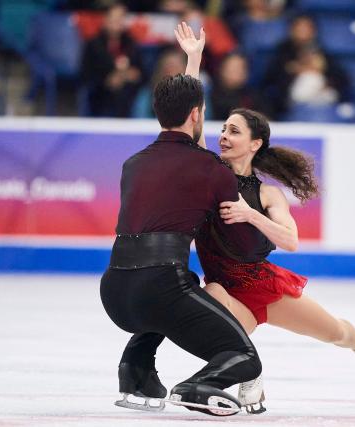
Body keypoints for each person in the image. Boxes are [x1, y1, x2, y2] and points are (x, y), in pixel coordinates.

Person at [99, 22, 263, 416]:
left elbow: (189, 126)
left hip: (115, 293)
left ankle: (134, 368)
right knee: (244, 357)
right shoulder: (211, 168)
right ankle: (196, 386)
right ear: (197, 115)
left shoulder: (132, 164)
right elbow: (235, 240)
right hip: (160, 290)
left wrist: (194, 60)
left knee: (171, 293)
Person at [195, 108, 355, 410]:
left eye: (235, 131)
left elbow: (290, 240)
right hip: (226, 290)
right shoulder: (211, 174)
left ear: (255, 144)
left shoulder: (268, 195)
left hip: (264, 287)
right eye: (224, 129)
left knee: (336, 332)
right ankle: (250, 373)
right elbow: (194, 120)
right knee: (210, 303)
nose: (225, 137)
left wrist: (250, 214)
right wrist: (195, 60)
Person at [260, 14, 350, 119]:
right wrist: (298, 70)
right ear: (291, 30)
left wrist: (322, 73)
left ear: (314, 31)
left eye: (307, 28)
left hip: (321, 102)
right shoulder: (282, 53)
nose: (303, 32)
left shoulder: (322, 53)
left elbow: (341, 79)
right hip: (290, 104)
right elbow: (271, 80)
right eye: (299, 28)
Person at [80, 2, 145, 117]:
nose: (117, 22)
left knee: (132, 93)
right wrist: (107, 79)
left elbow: (141, 73)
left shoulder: (131, 43)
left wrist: (123, 76)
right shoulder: (93, 44)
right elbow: (85, 74)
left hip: (128, 91)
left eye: (120, 18)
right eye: (113, 18)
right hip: (100, 90)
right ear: (105, 19)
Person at [210, 52, 265, 120]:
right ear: (221, 69)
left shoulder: (253, 96)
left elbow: (268, 121)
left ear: (246, 73)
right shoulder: (208, 94)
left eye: (238, 68)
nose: (233, 72)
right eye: (230, 68)